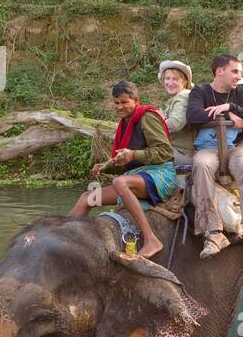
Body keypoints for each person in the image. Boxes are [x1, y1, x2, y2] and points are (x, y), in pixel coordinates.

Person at [68, 80, 177, 259]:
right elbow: (125, 161)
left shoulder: (147, 117)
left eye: (124, 102)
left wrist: (134, 155)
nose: (119, 107)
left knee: (120, 182)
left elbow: (165, 152)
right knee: (87, 198)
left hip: (160, 174)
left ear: (136, 100)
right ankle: (64, 235)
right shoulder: (125, 122)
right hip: (136, 177)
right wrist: (106, 166)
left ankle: (151, 240)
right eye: (116, 103)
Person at [186, 53, 243, 258]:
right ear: (219, 71)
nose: (238, 77)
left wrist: (232, 107)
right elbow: (193, 115)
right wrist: (227, 115)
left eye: (240, 72)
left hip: (239, 146)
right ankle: (213, 232)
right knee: (201, 164)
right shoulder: (200, 91)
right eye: (234, 72)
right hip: (209, 148)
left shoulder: (241, 94)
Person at [158, 60, 196, 166]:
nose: (170, 83)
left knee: (142, 152)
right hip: (176, 150)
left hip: (182, 153)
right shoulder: (178, 97)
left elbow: (175, 124)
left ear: (184, 82)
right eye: (167, 78)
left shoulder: (183, 96)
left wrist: (160, 121)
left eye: (175, 79)